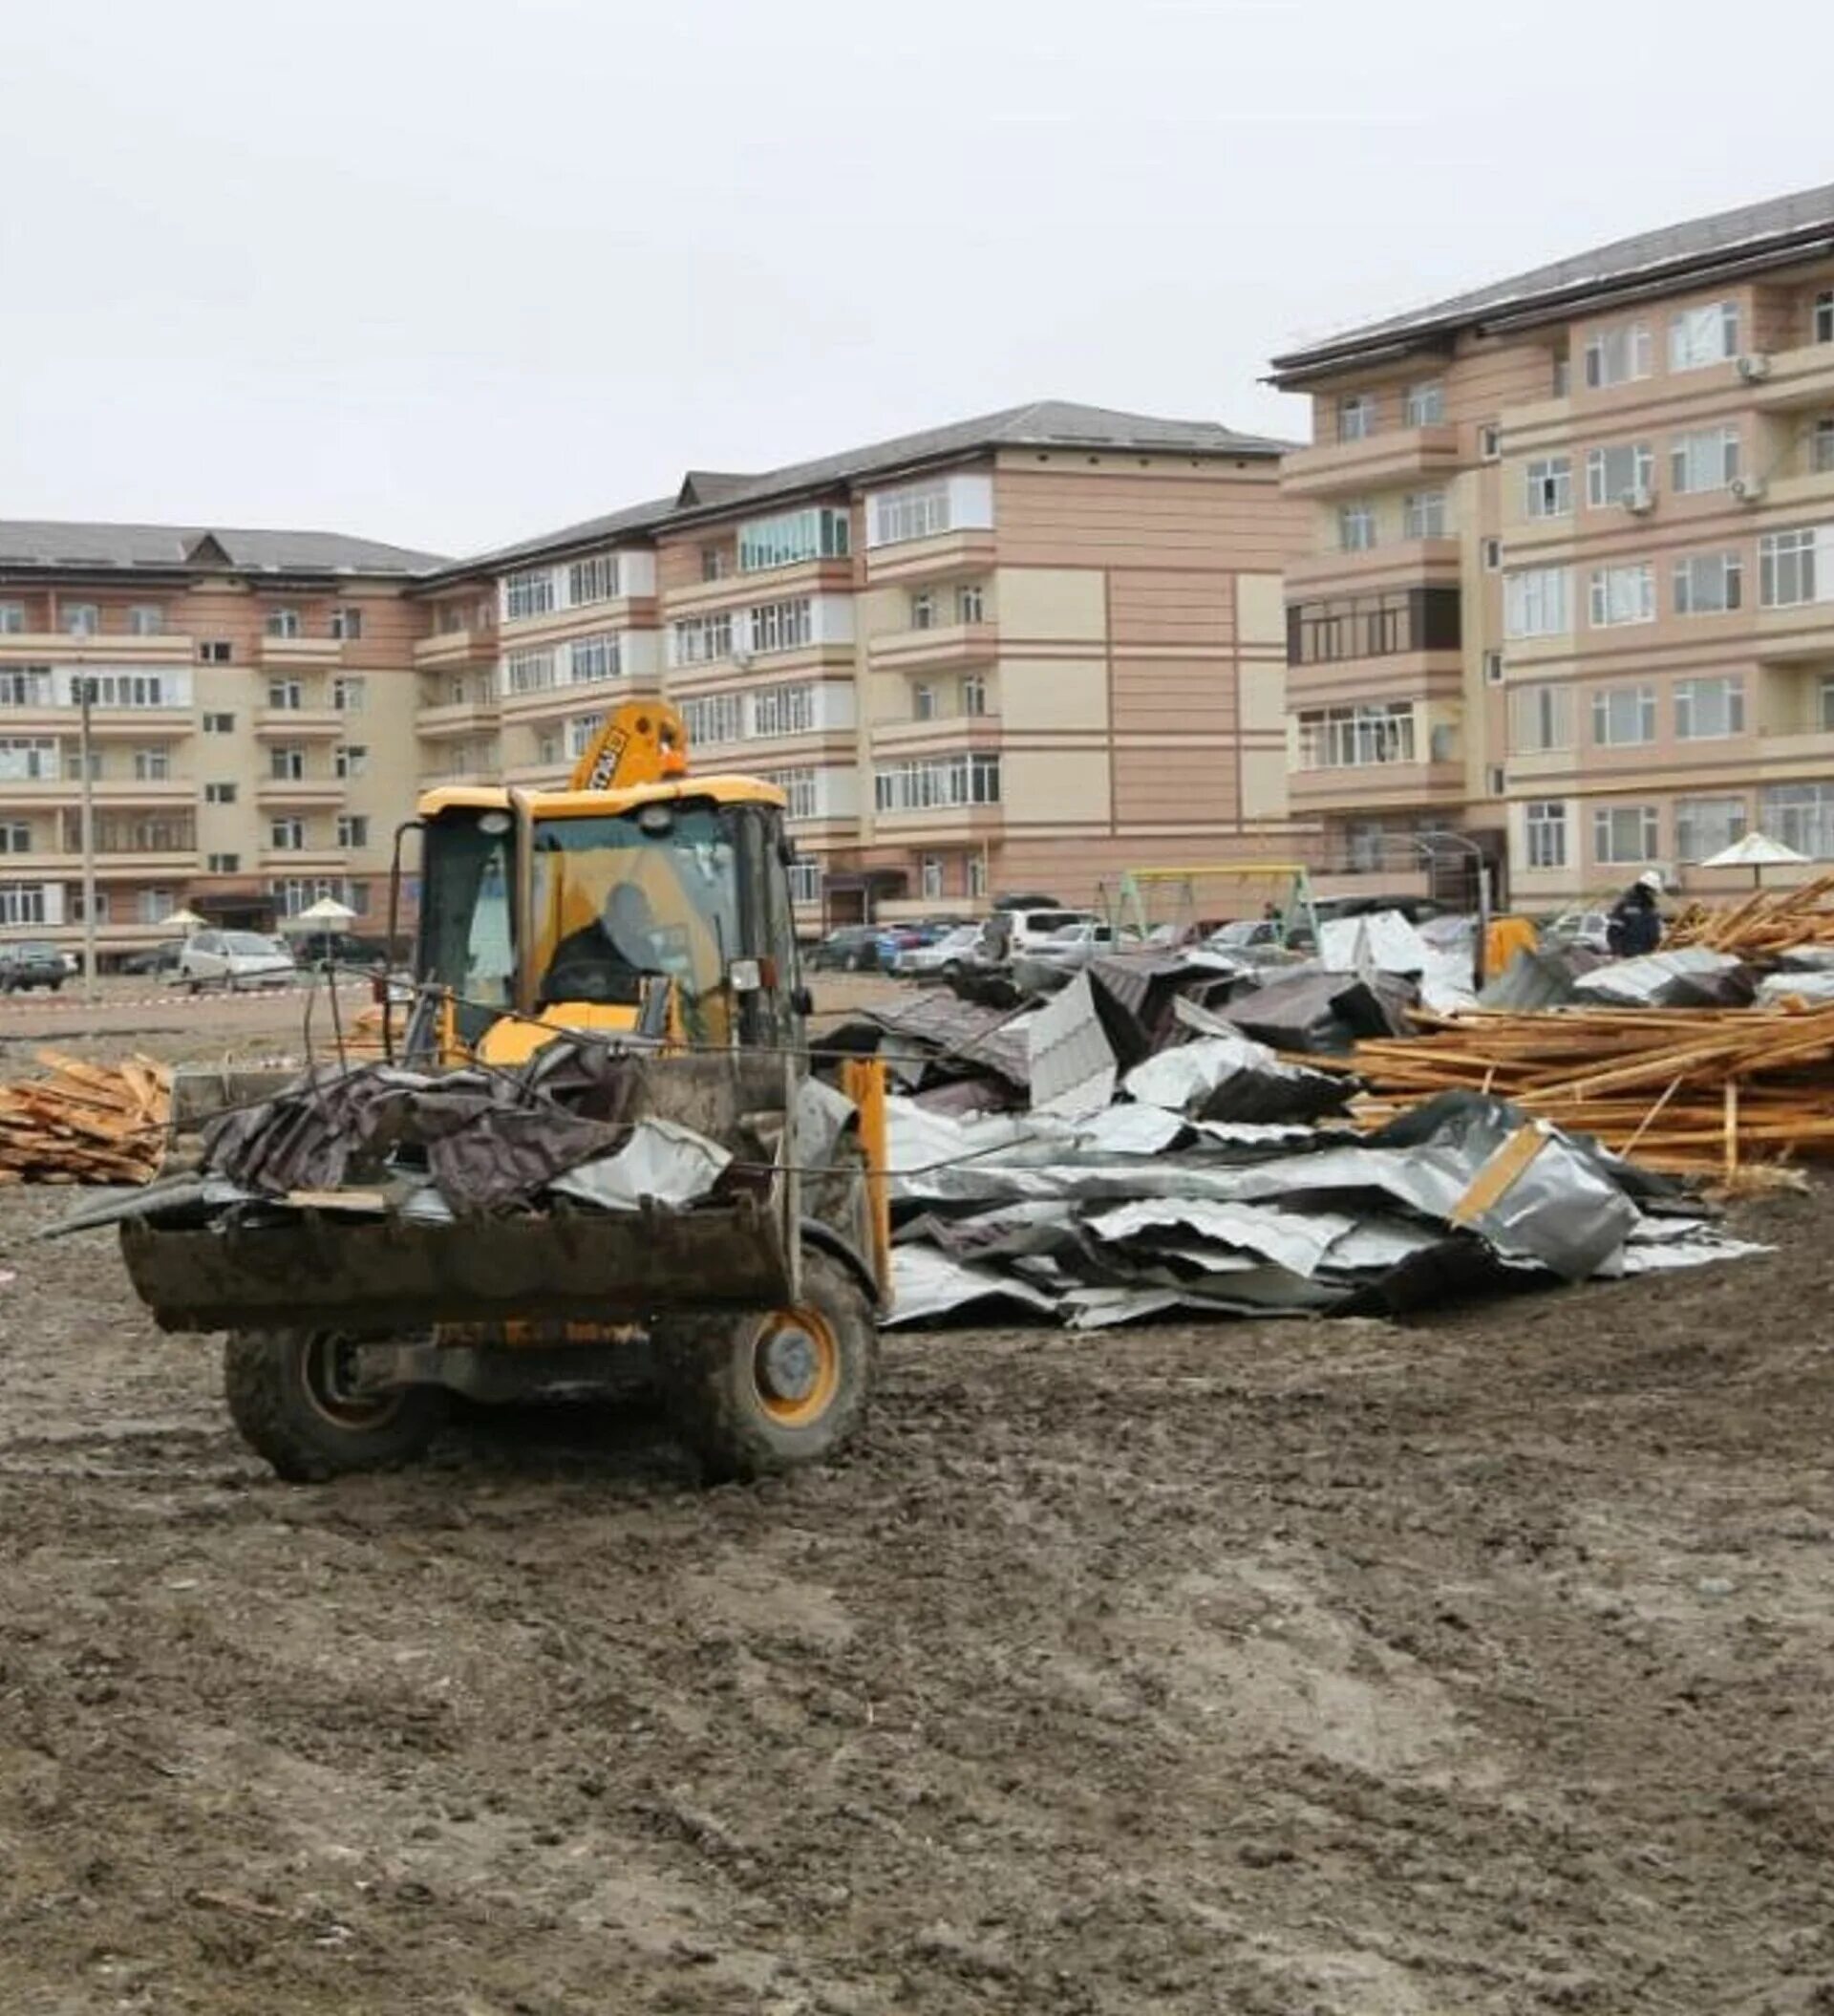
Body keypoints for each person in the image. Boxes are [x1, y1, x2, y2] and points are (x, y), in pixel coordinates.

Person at [541, 881, 665, 1005]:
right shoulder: (576, 947)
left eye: (642, 911)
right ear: (612, 912)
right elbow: (554, 993)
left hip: (639, 1022)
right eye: (634, 910)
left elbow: (660, 990)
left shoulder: (644, 949)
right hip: (584, 1022)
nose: (642, 916)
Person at [1606, 869, 1663, 957]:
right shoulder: (1625, 906)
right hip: (1629, 957)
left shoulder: (1651, 909)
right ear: (1646, 890)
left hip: (1648, 956)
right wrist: (1618, 953)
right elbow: (1613, 933)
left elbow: (1655, 933)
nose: (1653, 896)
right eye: (1653, 892)